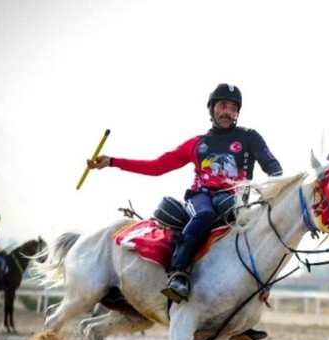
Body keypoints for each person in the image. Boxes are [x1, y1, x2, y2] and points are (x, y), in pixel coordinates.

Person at [87, 83, 283, 303]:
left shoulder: (249, 137)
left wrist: (274, 188)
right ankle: (178, 274)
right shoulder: (196, 144)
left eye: (233, 108)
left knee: (265, 229)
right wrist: (113, 162)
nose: (228, 112)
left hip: (233, 201)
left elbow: (273, 167)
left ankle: (260, 288)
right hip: (201, 198)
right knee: (206, 215)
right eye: (223, 106)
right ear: (212, 109)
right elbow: (156, 166)